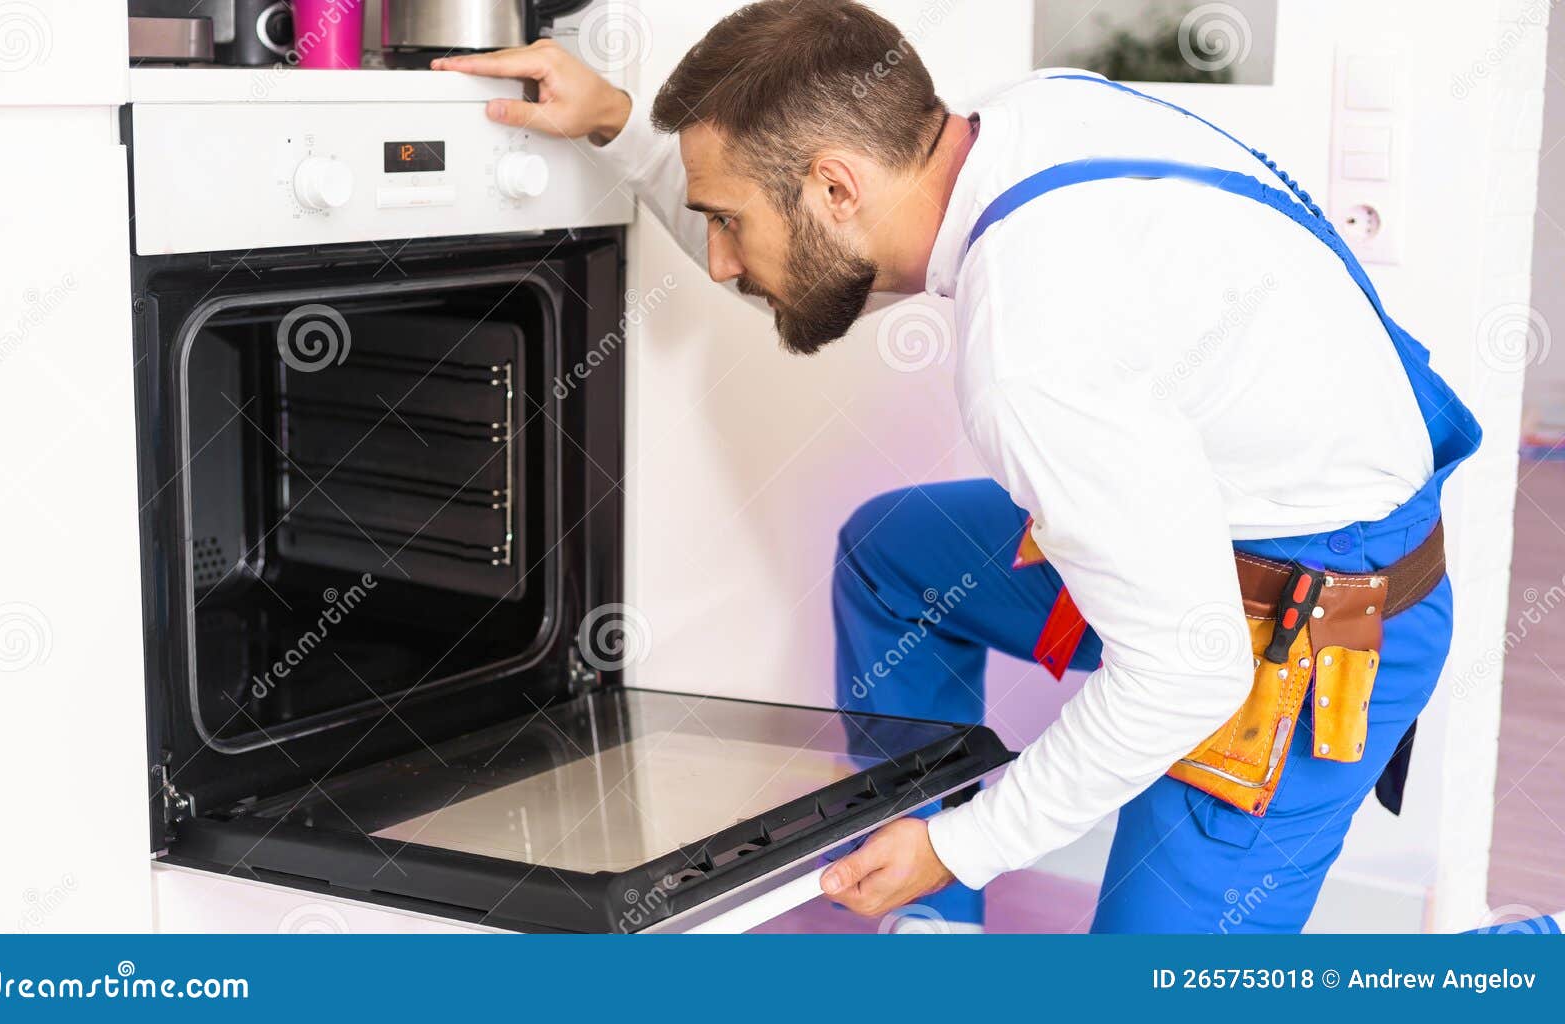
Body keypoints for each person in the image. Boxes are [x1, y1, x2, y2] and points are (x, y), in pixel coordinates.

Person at [434, 0, 1479, 933]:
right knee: (898, 558)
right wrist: (617, 122)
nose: (716, 262)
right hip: (1204, 522)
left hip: (1316, 625)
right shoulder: (1021, 123)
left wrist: (956, 843)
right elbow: (799, 232)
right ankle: (940, 938)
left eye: (726, 223)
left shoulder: (1031, 352)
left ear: (836, 185)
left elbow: (1186, 673)